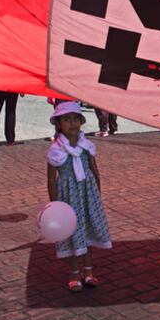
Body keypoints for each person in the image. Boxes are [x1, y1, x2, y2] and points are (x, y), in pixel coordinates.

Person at [47, 101, 112, 292]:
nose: (72, 124)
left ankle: (89, 271)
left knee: (89, 231)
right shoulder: (55, 151)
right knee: (73, 232)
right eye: (67, 120)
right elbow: (51, 179)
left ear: (81, 121)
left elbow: (94, 169)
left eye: (76, 119)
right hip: (68, 197)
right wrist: (55, 206)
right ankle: (74, 272)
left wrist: (96, 195)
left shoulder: (87, 146)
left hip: (87, 195)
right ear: (59, 124)